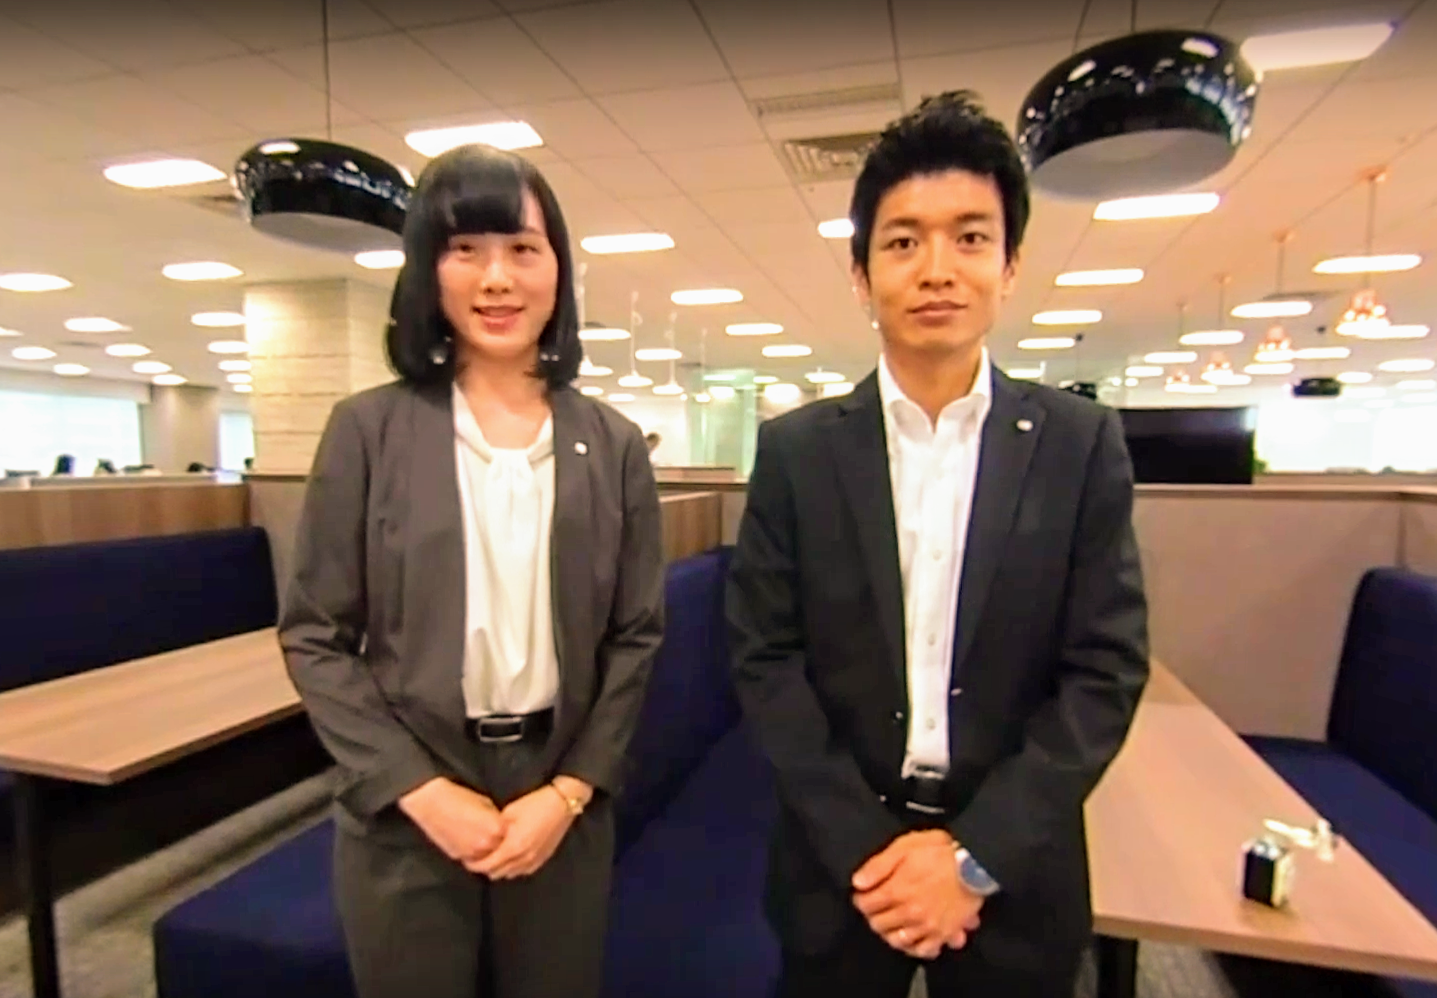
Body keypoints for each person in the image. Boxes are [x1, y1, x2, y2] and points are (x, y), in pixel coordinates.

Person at [725, 92, 1150, 997]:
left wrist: (971, 858)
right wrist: (873, 854)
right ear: (860, 273)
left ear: (1009, 265)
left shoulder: (1078, 445)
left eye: (969, 237)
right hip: (841, 869)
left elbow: (1104, 670)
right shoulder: (796, 453)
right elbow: (765, 661)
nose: (936, 270)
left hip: (1013, 870)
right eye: (902, 241)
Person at [279, 143, 664, 998]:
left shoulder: (612, 445)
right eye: (465, 250)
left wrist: (568, 792)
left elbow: (636, 636)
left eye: (522, 249)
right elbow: (315, 634)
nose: (497, 278)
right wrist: (417, 789)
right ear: (428, 270)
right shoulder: (367, 431)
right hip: (407, 798)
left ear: (558, 269)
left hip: (558, 796)